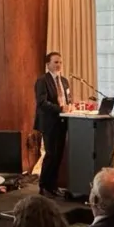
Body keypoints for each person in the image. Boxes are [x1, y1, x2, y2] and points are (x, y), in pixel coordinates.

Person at [34, 51, 73, 198]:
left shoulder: (64, 81)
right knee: (51, 154)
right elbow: (42, 103)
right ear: (48, 64)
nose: (58, 65)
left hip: (63, 122)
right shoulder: (42, 81)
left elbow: (67, 99)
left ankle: (53, 186)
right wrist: (60, 108)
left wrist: (71, 106)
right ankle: (43, 186)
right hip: (49, 123)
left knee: (59, 156)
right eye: (55, 62)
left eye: (60, 62)